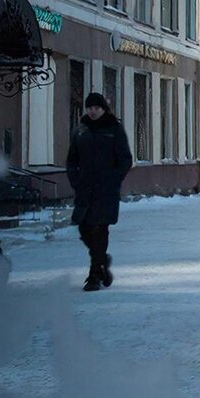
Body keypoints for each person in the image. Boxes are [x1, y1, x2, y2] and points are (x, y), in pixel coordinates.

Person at [67, 92, 133, 291]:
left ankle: (95, 274)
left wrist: (113, 180)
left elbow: (125, 159)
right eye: (89, 108)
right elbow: (72, 160)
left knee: (99, 229)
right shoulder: (81, 130)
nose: (92, 111)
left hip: (105, 190)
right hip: (85, 189)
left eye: (96, 108)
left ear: (103, 109)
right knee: (84, 228)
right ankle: (103, 260)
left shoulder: (113, 129)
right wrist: (75, 180)